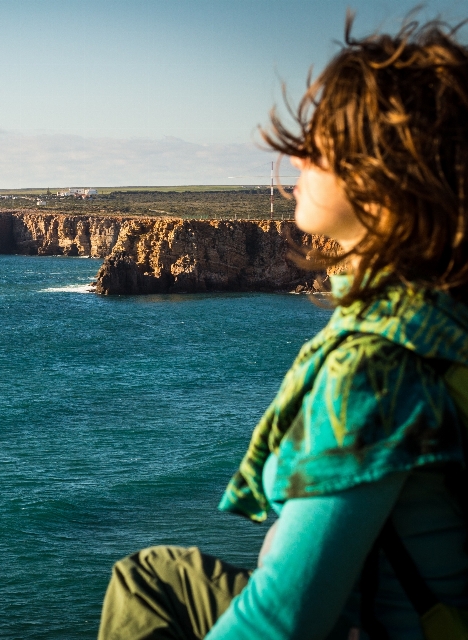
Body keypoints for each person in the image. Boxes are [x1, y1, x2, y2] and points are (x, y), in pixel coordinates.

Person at [98, 13, 468, 640]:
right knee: (154, 576)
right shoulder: (445, 321)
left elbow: (283, 619)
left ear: (381, 178)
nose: (292, 157)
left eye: (318, 145)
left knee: (145, 587)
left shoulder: (372, 369)